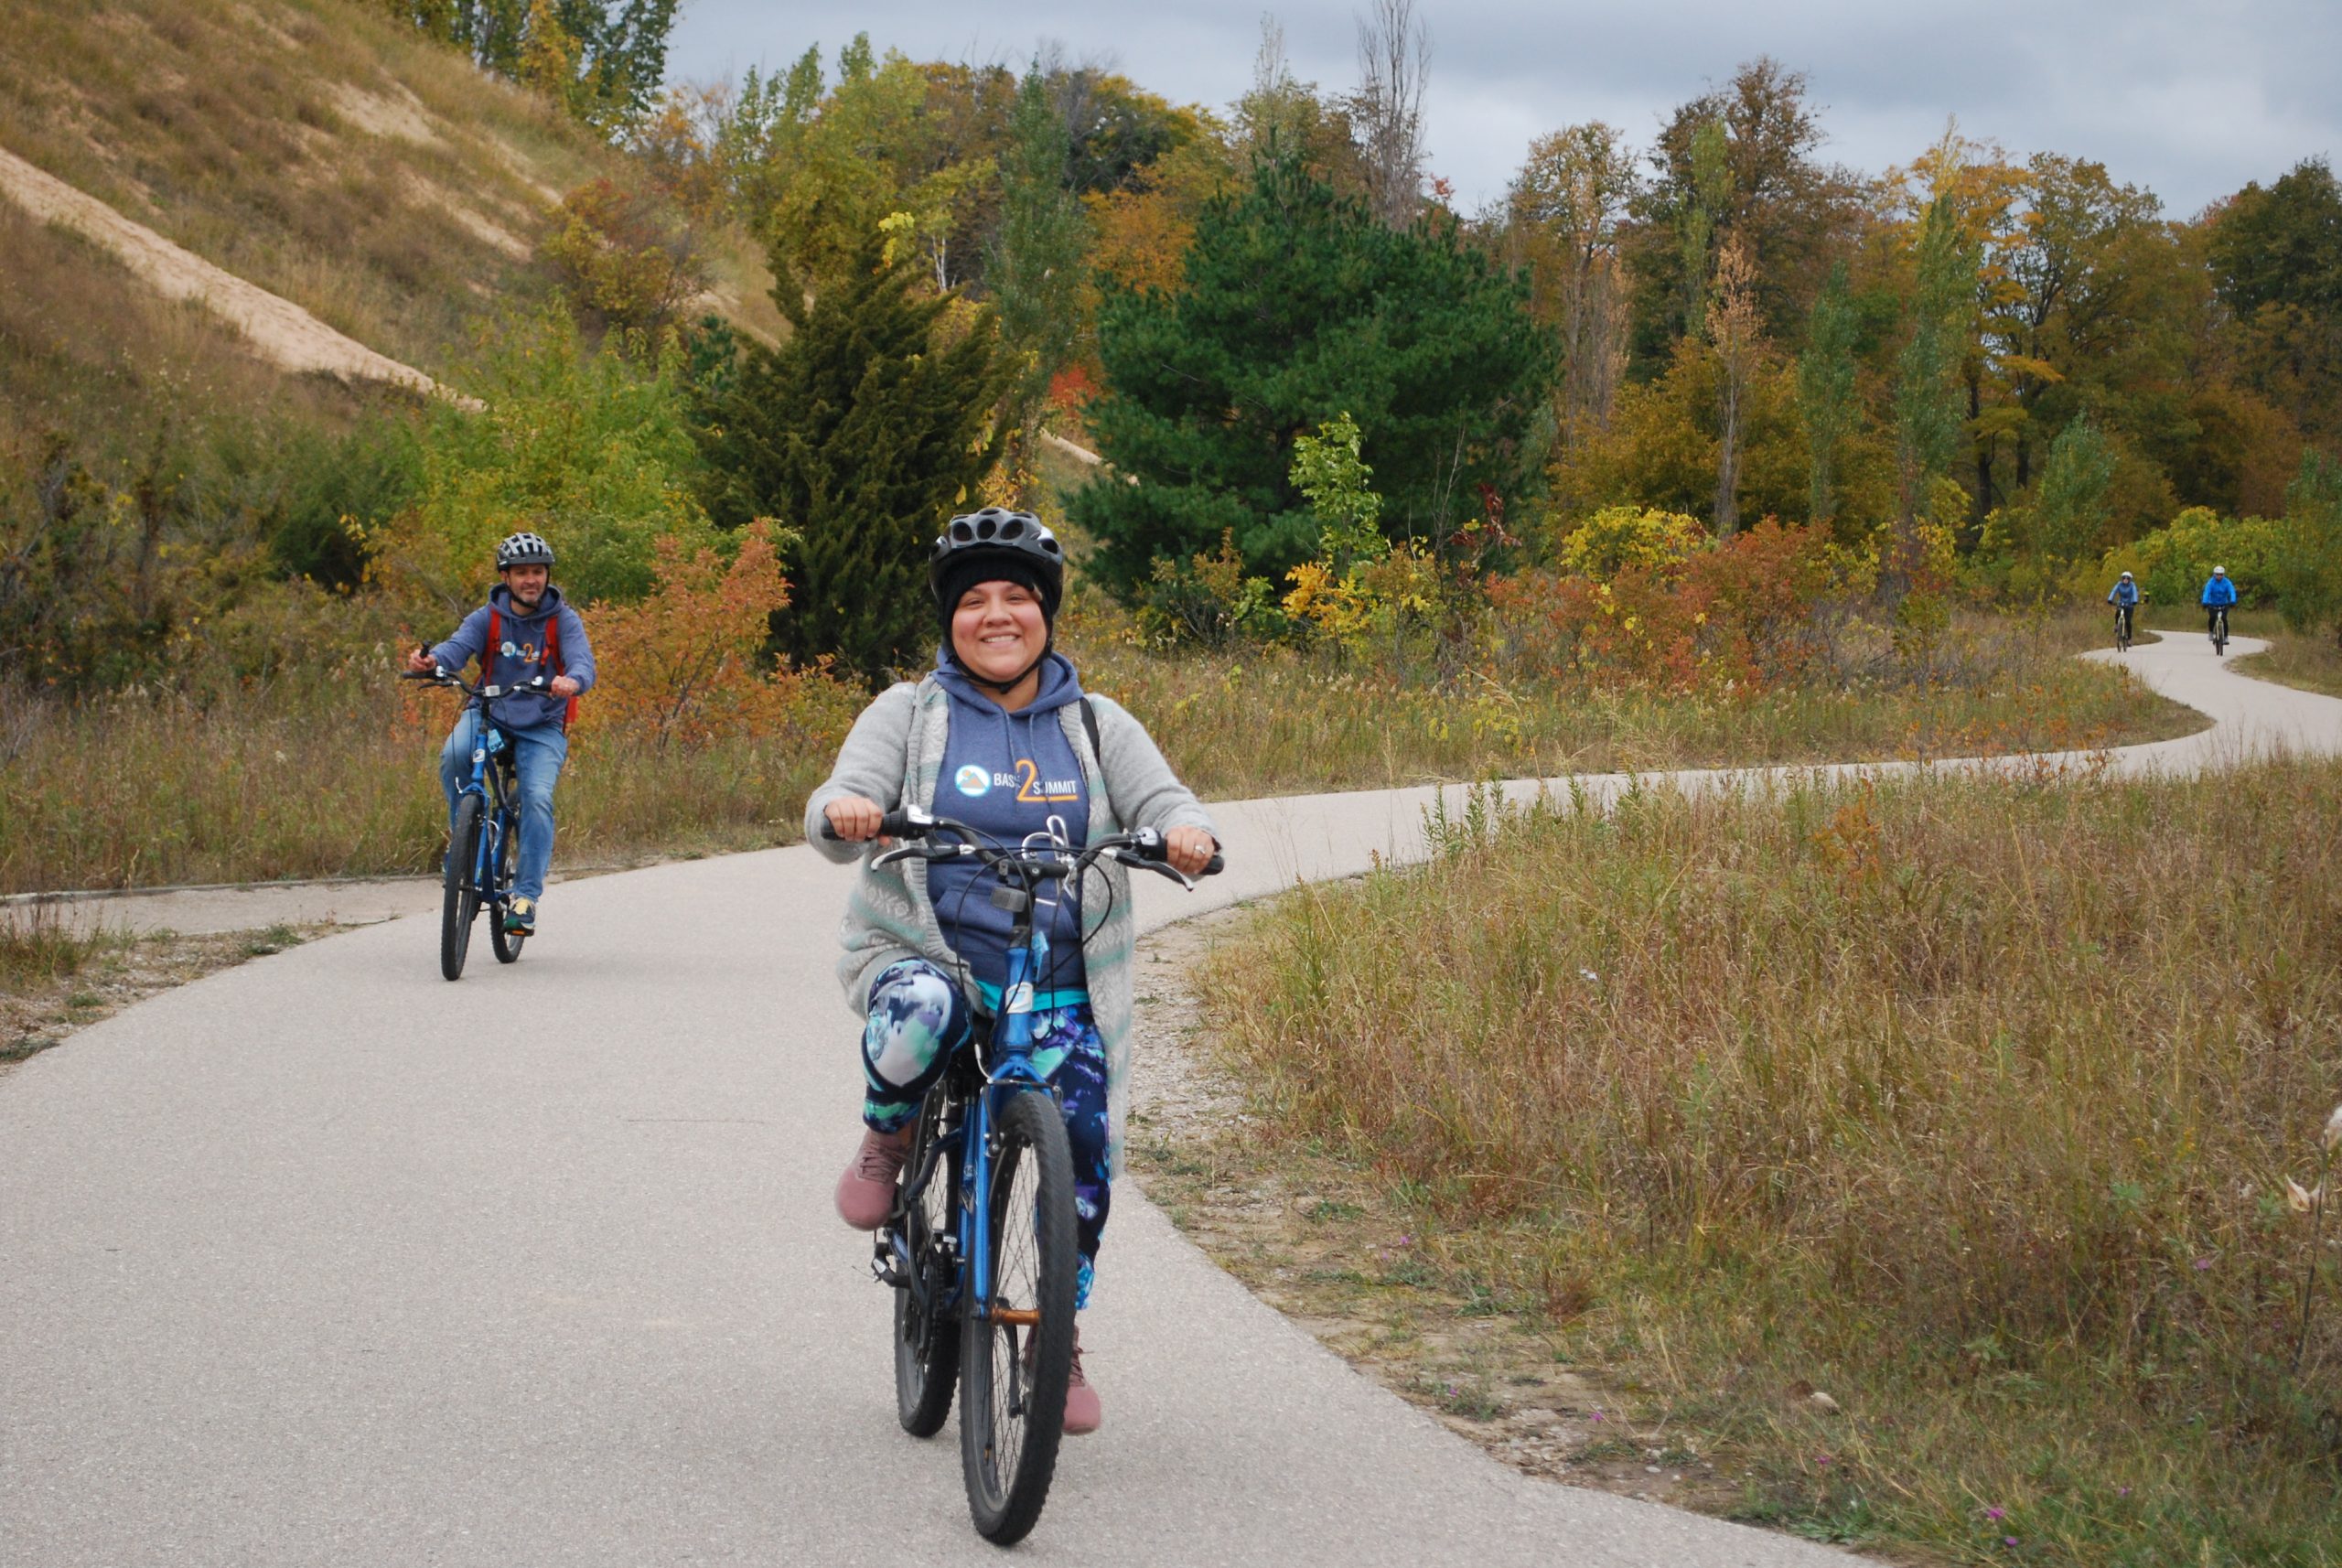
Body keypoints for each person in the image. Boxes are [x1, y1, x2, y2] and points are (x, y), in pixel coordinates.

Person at [806, 507, 1219, 1436]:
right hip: (928, 954)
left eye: (1017, 597)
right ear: (950, 619)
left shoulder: (1096, 723)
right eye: (974, 600)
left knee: (1083, 1148)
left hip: (1057, 976)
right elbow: (842, 794)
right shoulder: (911, 713)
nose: (996, 615)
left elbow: (1167, 801)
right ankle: (888, 1135)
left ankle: (1051, 1332)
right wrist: (850, 810)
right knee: (918, 1010)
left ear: (1046, 613)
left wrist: (1186, 834)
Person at [404, 531, 595, 938]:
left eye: (538, 572)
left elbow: (583, 663)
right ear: (505, 577)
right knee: (455, 754)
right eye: (522, 572)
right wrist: (432, 661)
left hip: (542, 724)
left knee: (537, 798)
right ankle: (465, 843)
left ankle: (525, 898)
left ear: (547, 575)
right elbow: (457, 648)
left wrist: (572, 680)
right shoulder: (487, 618)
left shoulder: (563, 620)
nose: (531, 580)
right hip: (490, 714)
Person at [2200, 564, 2239, 641]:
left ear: (2223, 575)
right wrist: (2205, 602)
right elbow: (2207, 592)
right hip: (2212, 603)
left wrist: (2233, 601)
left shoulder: (2227, 582)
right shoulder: (2211, 583)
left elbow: (2232, 591)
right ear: (2214, 574)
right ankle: (2211, 632)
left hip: (2224, 603)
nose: (2219, 576)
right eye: (2217, 574)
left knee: (2224, 619)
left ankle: (2226, 637)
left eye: (2221, 574)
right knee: (2212, 618)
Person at [2107, 570, 2140, 641]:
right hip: (2121, 602)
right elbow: (2114, 591)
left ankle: (2129, 639)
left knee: (2128, 621)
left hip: (2130, 604)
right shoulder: (2119, 584)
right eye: (2124, 578)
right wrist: (2110, 599)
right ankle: (2116, 625)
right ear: (2122, 579)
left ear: (2129, 579)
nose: (2125, 580)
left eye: (2127, 578)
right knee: (2118, 613)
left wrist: (2135, 601)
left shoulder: (2132, 585)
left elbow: (2134, 593)